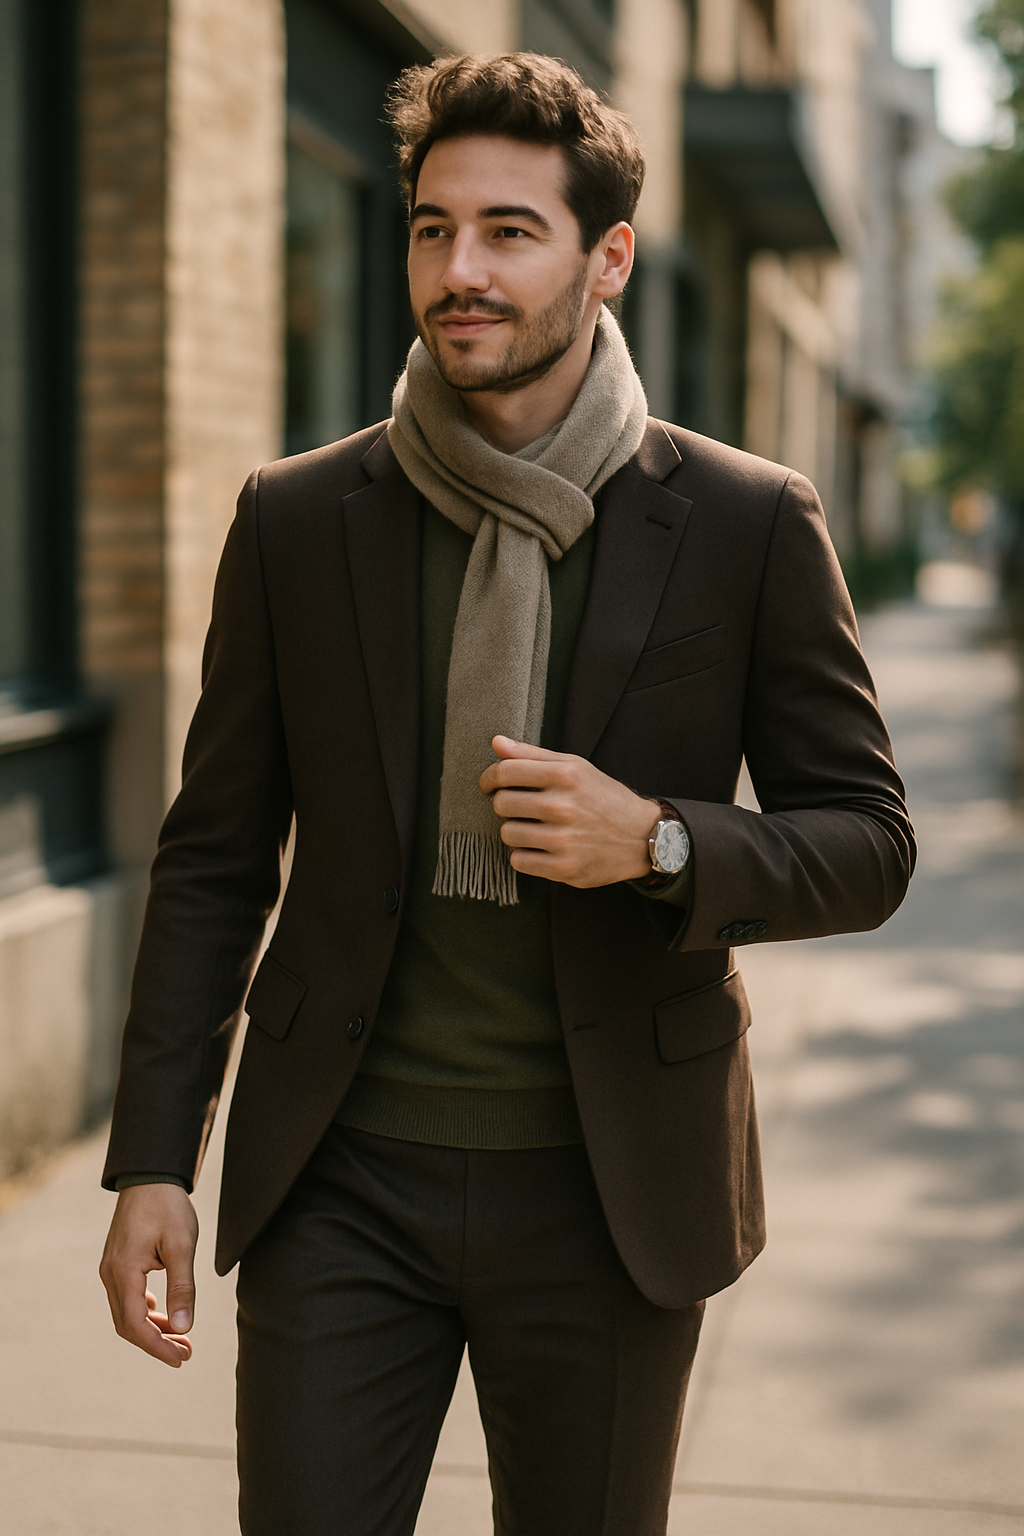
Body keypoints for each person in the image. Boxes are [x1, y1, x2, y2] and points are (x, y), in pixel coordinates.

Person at [99, 51, 915, 1536]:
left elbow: (869, 843)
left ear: (609, 259)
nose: (458, 270)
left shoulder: (743, 522)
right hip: (341, 1179)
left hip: (613, 1191)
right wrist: (156, 1157)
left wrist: (661, 843)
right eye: (433, 228)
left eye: (508, 232)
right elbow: (214, 857)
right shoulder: (298, 519)